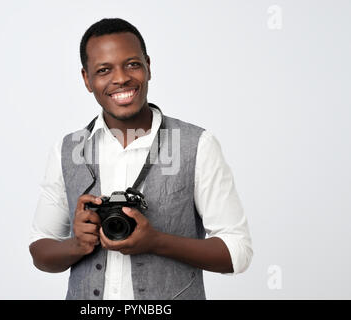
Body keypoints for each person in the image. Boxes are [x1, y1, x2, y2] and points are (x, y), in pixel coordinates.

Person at [29, 18, 253, 300]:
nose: (121, 78)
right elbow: (40, 250)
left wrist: (157, 242)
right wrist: (77, 245)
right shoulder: (67, 149)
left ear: (148, 66)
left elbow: (238, 252)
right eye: (103, 70)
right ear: (87, 79)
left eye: (132, 64)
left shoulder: (197, 145)